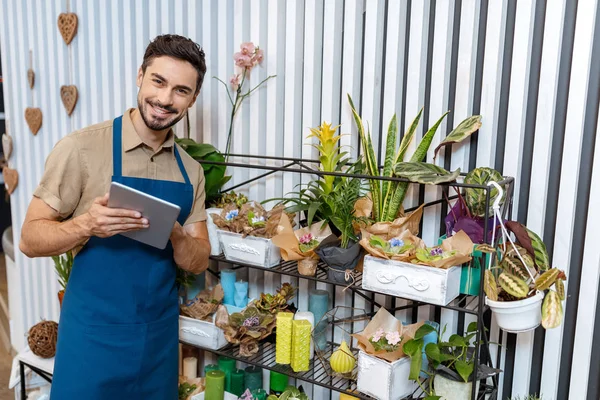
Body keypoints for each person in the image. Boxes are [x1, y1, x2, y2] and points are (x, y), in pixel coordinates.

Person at [19, 34, 211, 399]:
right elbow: (29, 238)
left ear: (193, 98)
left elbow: (199, 260)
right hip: (92, 338)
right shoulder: (82, 149)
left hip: (158, 341)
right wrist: (85, 225)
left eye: (181, 90)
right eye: (158, 81)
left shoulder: (191, 171)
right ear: (140, 75)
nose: (165, 99)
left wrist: (176, 235)